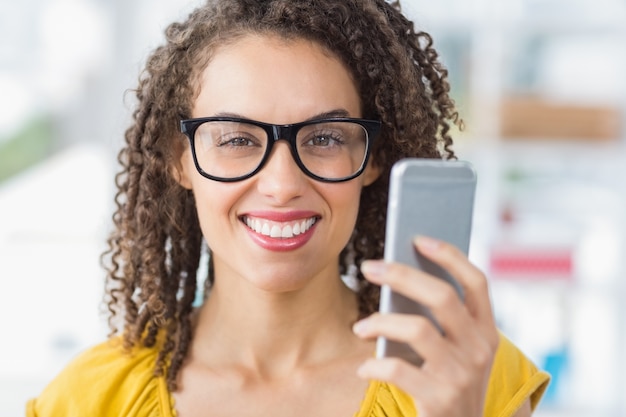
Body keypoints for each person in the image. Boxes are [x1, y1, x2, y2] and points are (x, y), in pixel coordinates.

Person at [27, 0, 550, 416]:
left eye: (324, 137)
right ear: (178, 158)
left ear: (374, 158)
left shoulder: (467, 375)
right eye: (235, 140)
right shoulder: (85, 402)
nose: (281, 185)